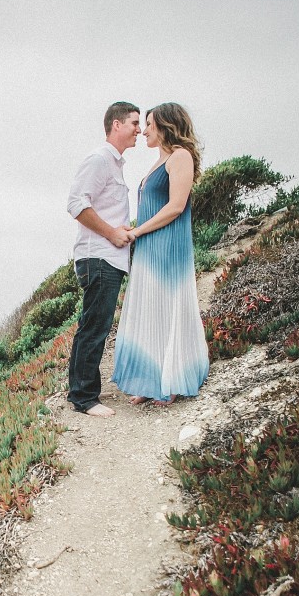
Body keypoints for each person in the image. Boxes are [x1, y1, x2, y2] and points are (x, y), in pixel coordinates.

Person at [111, 103, 209, 406]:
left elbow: (176, 206)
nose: (145, 130)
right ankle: (151, 380)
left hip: (167, 245)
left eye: (150, 124)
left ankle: (172, 379)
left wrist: (138, 231)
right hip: (151, 245)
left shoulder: (180, 156)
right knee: (151, 309)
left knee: (168, 308)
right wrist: (136, 228)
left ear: (167, 126)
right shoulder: (159, 161)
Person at [66, 101, 141, 417]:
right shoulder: (99, 160)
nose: (140, 128)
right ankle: (83, 398)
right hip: (98, 257)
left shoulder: (115, 164)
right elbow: (75, 204)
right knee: (94, 326)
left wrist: (118, 230)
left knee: (95, 324)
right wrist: (111, 233)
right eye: (135, 122)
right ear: (117, 124)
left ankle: (83, 391)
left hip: (109, 257)